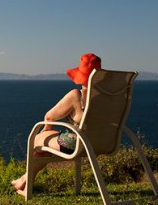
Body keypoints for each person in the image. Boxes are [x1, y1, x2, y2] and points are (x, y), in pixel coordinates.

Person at [10, 53, 102, 196]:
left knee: (37, 139)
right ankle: (24, 180)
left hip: (77, 144)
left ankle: (25, 181)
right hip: (103, 142)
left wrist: (47, 130)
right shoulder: (109, 97)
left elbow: (49, 117)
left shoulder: (75, 96)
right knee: (45, 148)